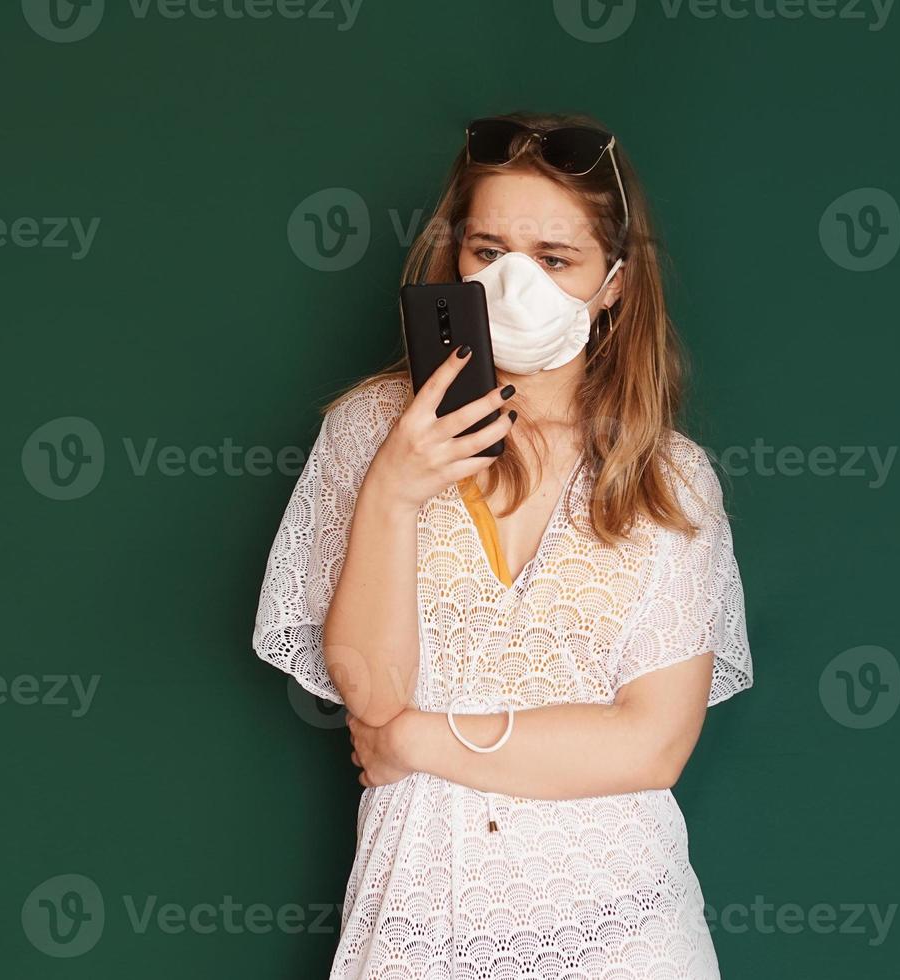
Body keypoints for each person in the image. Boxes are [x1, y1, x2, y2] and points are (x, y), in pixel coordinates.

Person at [252, 111, 753, 979]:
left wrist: (418, 743)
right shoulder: (369, 431)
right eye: (488, 252)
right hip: (413, 924)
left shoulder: (670, 477)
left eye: (555, 260)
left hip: (628, 933)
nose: (513, 285)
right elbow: (371, 695)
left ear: (615, 284)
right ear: (454, 259)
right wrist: (392, 491)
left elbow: (650, 747)